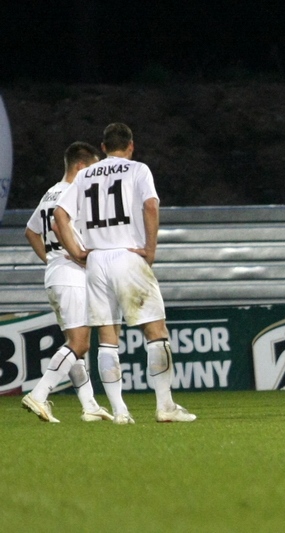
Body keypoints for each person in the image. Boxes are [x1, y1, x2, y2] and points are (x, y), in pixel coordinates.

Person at [54, 123, 195, 424]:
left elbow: (60, 214)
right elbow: (150, 206)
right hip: (128, 255)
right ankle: (165, 406)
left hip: (96, 260)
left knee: (107, 338)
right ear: (131, 146)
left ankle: (120, 411)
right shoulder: (138, 170)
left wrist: (77, 252)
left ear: (103, 147)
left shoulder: (85, 175)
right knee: (156, 332)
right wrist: (150, 249)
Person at [20, 142, 113, 423]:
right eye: (93, 168)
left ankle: (89, 405)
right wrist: (76, 255)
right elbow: (58, 226)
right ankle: (39, 394)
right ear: (81, 167)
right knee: (79, 344)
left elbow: (31, 232)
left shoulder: (51, 192)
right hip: (71, 276)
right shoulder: (76, 192)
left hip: (57, 275)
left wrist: (50, 259)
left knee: (74, 345)